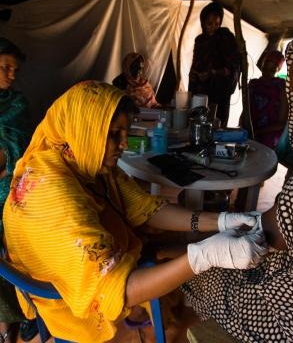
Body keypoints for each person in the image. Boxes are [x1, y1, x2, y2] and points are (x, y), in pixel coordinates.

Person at [3, 81, 267, 342]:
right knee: (194, 260)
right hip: (72, 299)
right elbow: (118, 289)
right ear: (84, 128)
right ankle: (141, 331)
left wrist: (220, 221)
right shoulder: (51, 194)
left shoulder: (84, 159)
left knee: (189, 255)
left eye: (125, 133)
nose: (123, 144)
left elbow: (147, 209)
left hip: (97, 264)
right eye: (114, 134)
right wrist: (203, 257)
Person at [180, 32, 293, 342]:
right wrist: (220, 225)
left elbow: (267, 235)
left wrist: (189, 255)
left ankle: (175, 323)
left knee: (202, 278)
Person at [0, 37, 38, 343]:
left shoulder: (18, 104)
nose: (11, 76)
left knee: (13, 245)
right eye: (5, 68)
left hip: (12, 185)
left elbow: (21, 150)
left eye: (14, 70)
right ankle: (5, 324)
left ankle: (24, 312)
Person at [188, 2, 240, 127]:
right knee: (199, 122)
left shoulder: (225, 39)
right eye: (209, 24)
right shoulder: (200, 41)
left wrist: (212, 73)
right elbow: (196, 62)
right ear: (203, 23)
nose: (213, 27)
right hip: (201, 90)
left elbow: (231, 67)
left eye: (217, 24)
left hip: (220, 92)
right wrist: (192, 74)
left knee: (217, 123)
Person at [249, 50, 288, 149]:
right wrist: (244, 127)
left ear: (278, 70)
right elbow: (246, 110)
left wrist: (257, 132)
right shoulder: (253, 84)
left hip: (270, 133)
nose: (267, 72)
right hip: (250, 128)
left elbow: (281, 123)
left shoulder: (282, 87)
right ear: (262, 64)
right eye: (266, 66)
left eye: (272, 69)